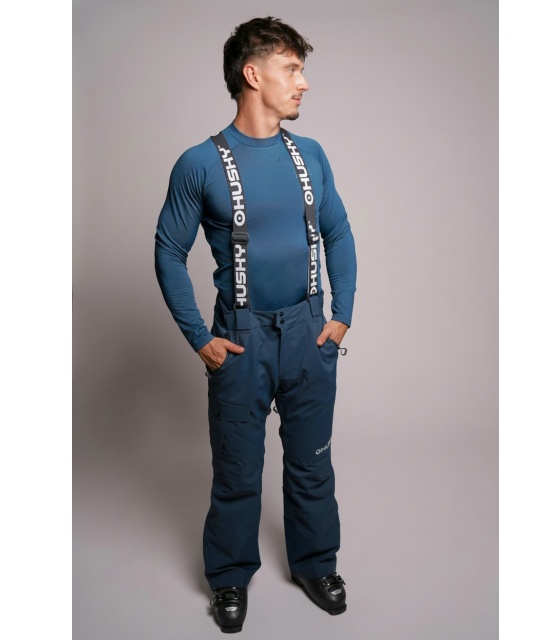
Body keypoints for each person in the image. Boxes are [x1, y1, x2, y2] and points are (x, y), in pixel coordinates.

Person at [155, 16, 357, 634]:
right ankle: (229, 575)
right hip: (240, 339)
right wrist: (199, 337)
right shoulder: (199, 163)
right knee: (238, 471)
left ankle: (316, 564)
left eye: (301, 70)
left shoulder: (311, 154)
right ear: (253, 74)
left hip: (308, 332)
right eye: (291, 68)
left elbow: (338, 232)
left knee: (312, 463)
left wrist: (341, 316)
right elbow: (168, 250)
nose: (304, 83)